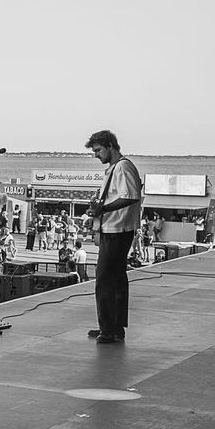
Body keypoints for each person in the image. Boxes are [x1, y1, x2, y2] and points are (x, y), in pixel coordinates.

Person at [85, 129, 142, 344]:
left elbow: (131, 196)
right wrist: (98, 210)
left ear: (110, 146)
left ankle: (108, 329)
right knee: (116, 279)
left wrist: (103, 209)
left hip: (117, 230)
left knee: (105, 280)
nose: (96, 155)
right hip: (113, 229)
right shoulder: (115, 168)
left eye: (98, 150)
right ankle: (113, 327)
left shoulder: (123, 167)